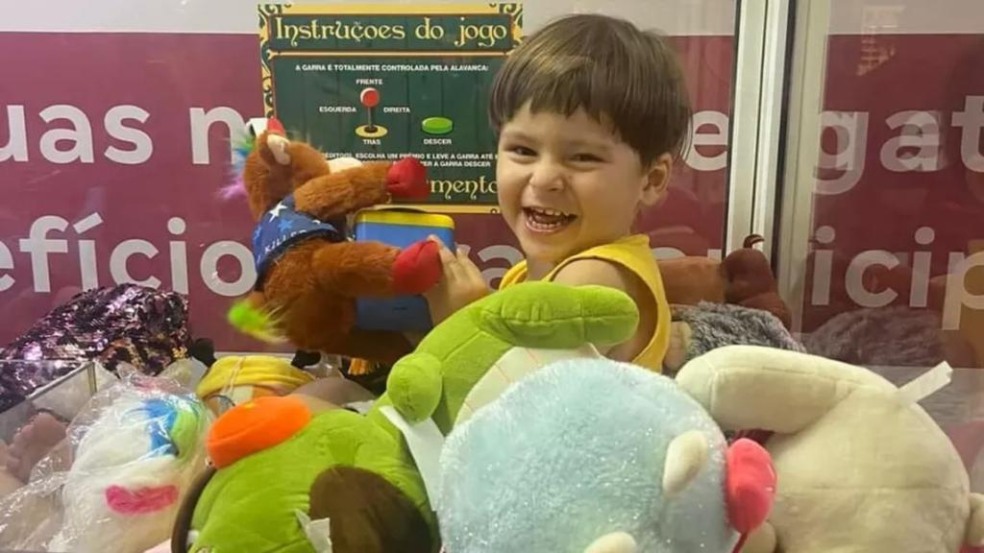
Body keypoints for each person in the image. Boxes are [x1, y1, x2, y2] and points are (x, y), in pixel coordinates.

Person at [424, 13, 691, 371]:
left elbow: (518, 401)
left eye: (582, 157)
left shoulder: (594, 276)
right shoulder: (524, 274)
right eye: (522, 150)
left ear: (652, 180)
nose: (544, 177)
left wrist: (461, 321)